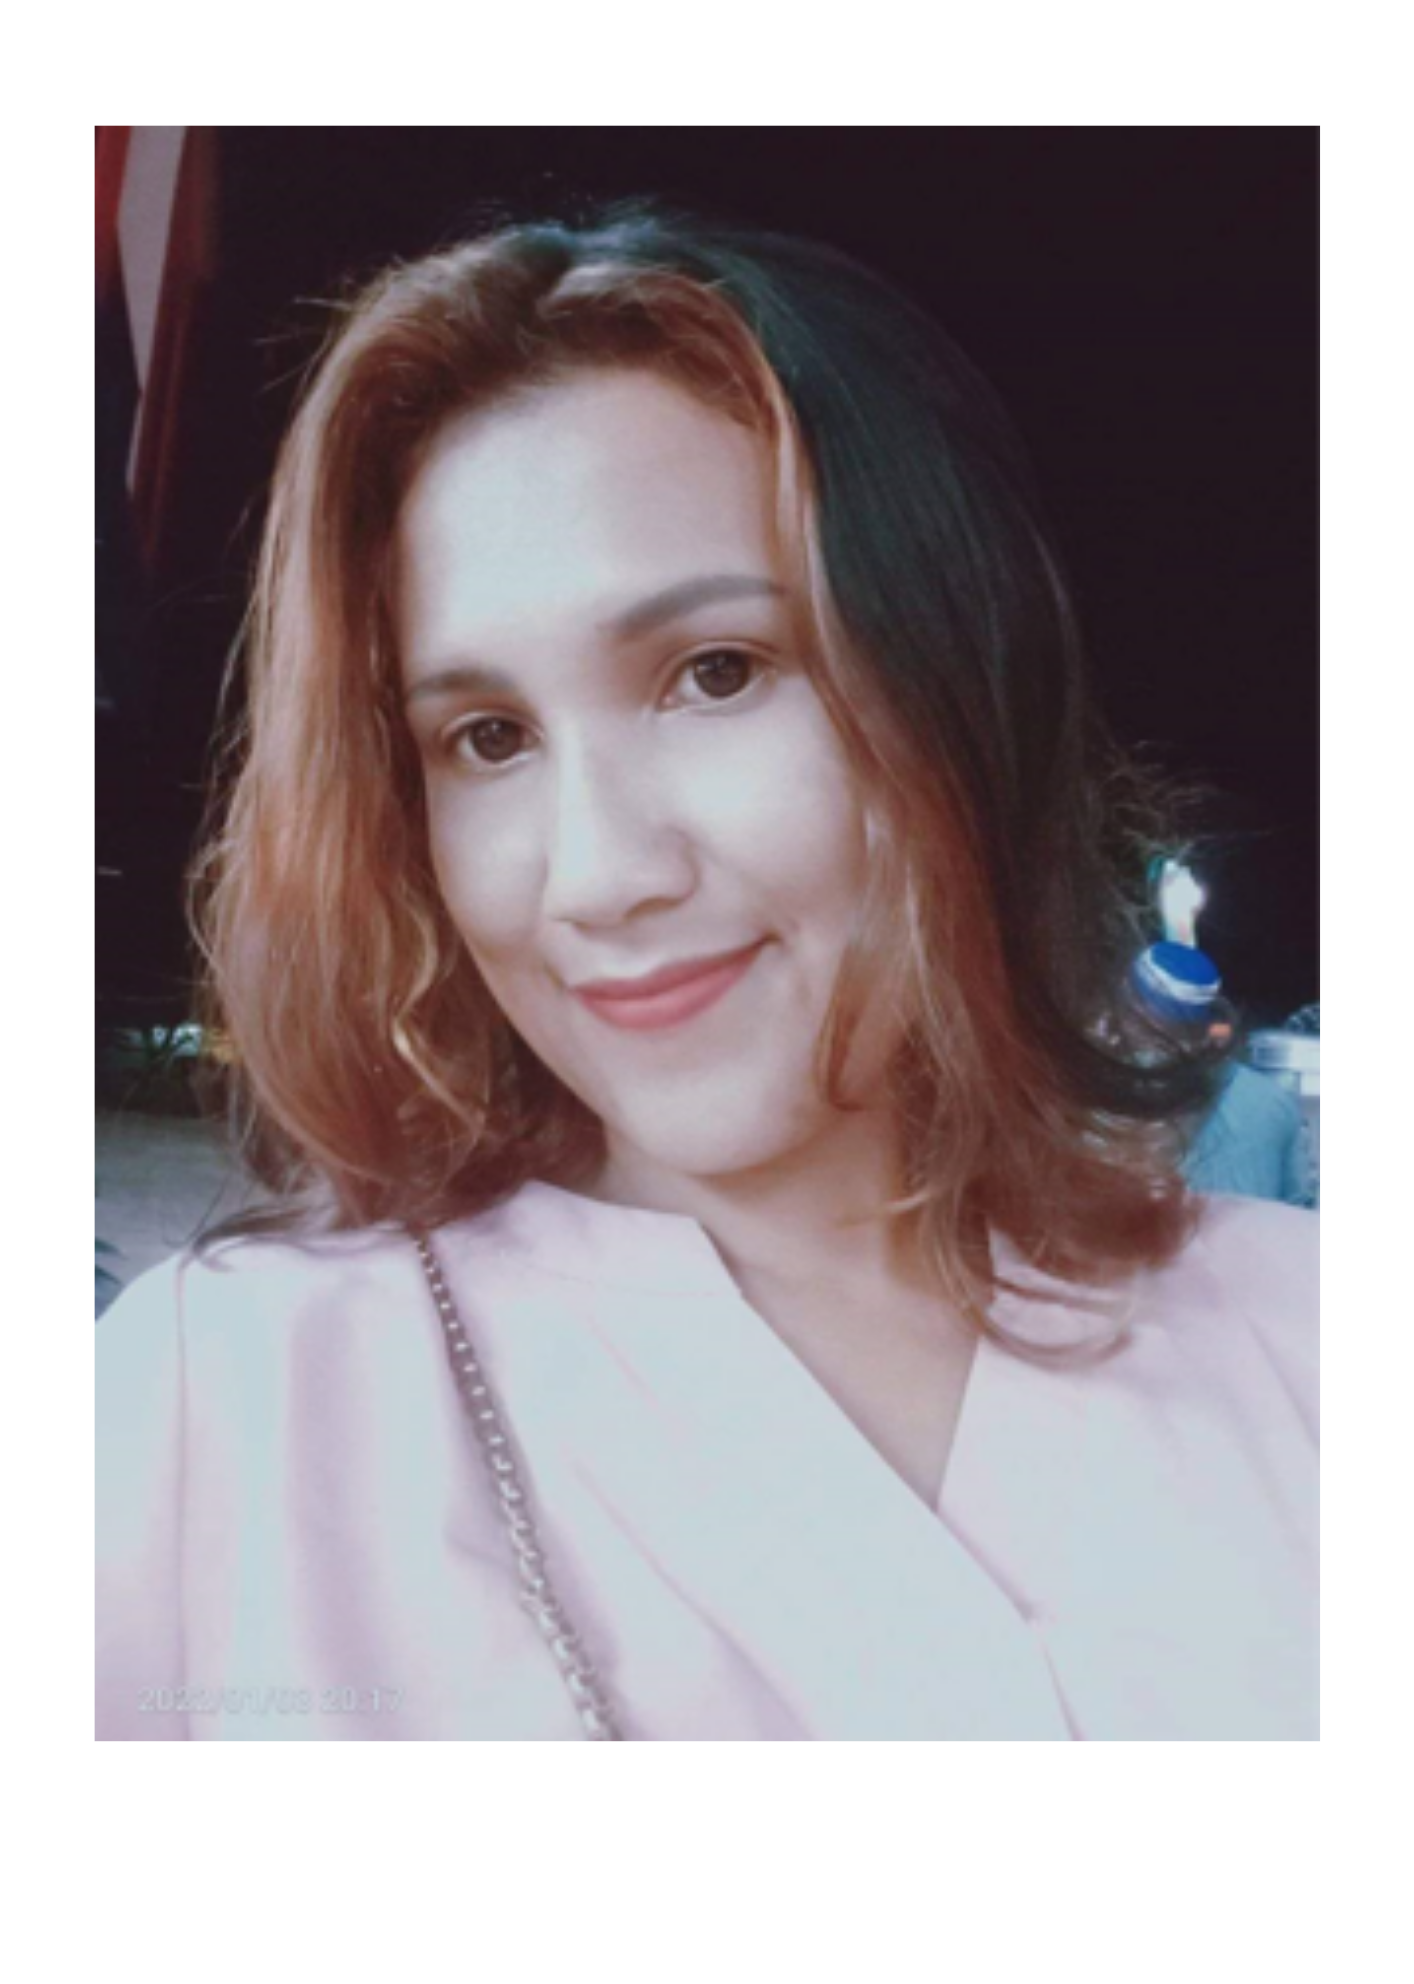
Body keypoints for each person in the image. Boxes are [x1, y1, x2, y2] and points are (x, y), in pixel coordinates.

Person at [96, 206, 1317, 1741]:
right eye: (487, 739)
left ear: (963, 676)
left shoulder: (1312, 1338)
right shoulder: (222, 1406)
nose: (596, 874)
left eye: (714, 673)